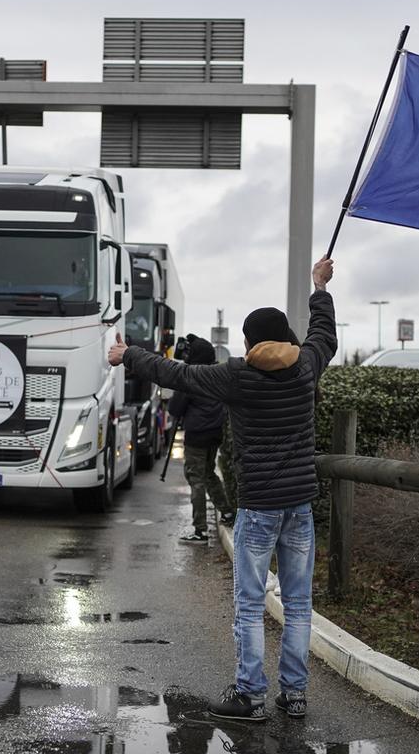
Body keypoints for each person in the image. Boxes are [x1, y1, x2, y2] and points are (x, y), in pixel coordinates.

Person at [108, 257, 337, 722]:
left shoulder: (238, 376)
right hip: (299, 508)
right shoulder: (307, 367)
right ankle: (294, 695)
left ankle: (250, 696)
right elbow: (324, 335)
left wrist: (128, 354)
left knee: (251, 605)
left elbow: (177, 375)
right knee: (297, 604)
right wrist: (320, 288)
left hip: (257, 509)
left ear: (251, 342)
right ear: (286, 338)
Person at [168, 334, 233, 543]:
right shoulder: (218, 375)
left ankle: (200, 530)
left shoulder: (191, 377)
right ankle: (227, 511)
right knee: (208, 473)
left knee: (196, 479)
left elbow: (174, 408)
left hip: (196, 435)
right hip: (215, 434)